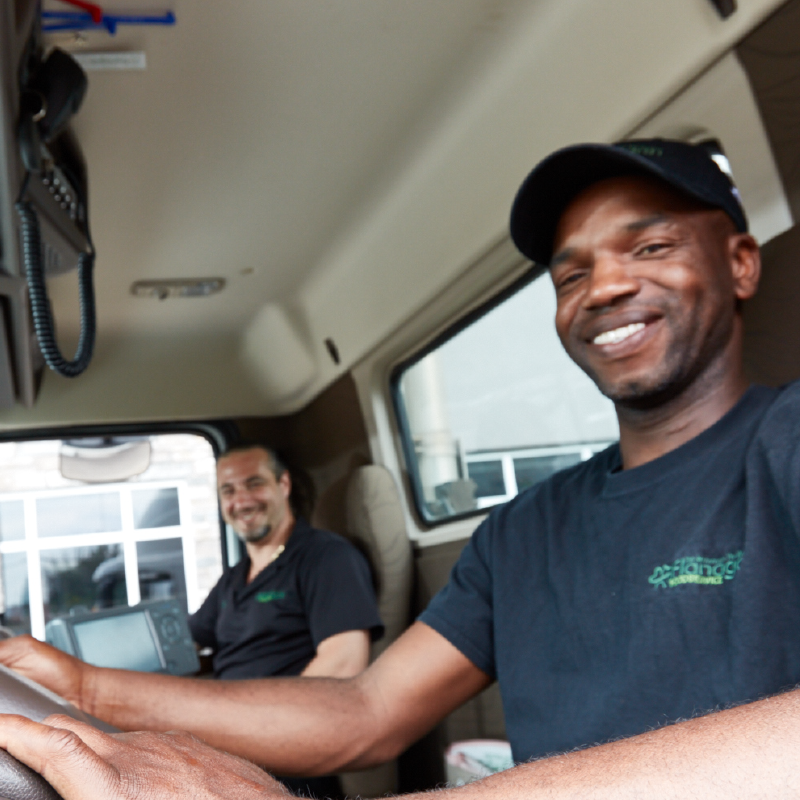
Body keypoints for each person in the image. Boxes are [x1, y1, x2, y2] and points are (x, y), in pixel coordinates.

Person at [3, 138, 800, 798]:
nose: (607, 287)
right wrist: (82, 689)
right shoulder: (522, 530)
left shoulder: (785, 443)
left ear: (740, 265)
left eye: (651, 247)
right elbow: (363, 710)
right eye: (572, 274)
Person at [192, 443, 384, 798]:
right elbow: (189, 638)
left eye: (254, 484)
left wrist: (259, 731)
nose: (242, 501)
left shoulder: (327, 557)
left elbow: (343, 661)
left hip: (279, 747)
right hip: (224, 734)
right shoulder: (234, 578)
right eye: (228, 491)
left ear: (283, 485)